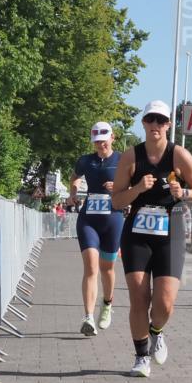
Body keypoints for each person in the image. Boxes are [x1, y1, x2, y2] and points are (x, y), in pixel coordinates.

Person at [111, 100, 192, 378]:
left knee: (164, 303)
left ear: (168, 125)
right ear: (143, 123)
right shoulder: (131, 157)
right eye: (151, 119)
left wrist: (184, 194)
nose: (155, 125)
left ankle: (156, 331)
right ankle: (141, 357)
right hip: (137, 232)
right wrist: (138, 188)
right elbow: (117, 200)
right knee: (139, 298)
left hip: (171, 230)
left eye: (161, 121)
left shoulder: (179, 155)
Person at [69, 122, 123, 336]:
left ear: (112, 138)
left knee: (107, 268)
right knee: (91, 267)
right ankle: (88, 317)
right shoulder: (85, 161)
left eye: (104, 140)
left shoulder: (122, 160)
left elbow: (135, 186)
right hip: (88, 219)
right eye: (96, 141)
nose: (100, 144)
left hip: (113, 219)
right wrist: (73, 191)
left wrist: (119, 187)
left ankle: (107, 304)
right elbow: (74, 178)